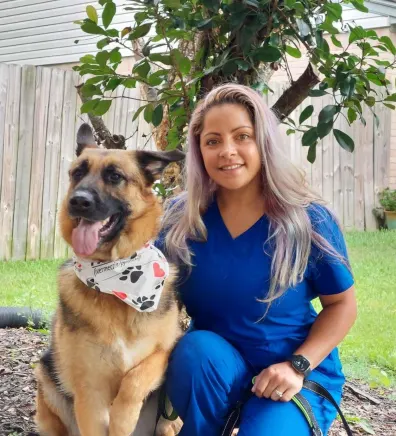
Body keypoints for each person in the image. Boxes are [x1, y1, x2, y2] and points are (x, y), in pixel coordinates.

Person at [155, 83, 357, 436]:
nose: (227, 151)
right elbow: (146, 288)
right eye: (213, 141)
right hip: (214, 369)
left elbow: (342, 305)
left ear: (263, 141)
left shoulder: (308, 218)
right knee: (195, 349)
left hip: (291, 373)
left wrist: (298, 365)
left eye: (242, 136)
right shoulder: (180, 219)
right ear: (199, 151)